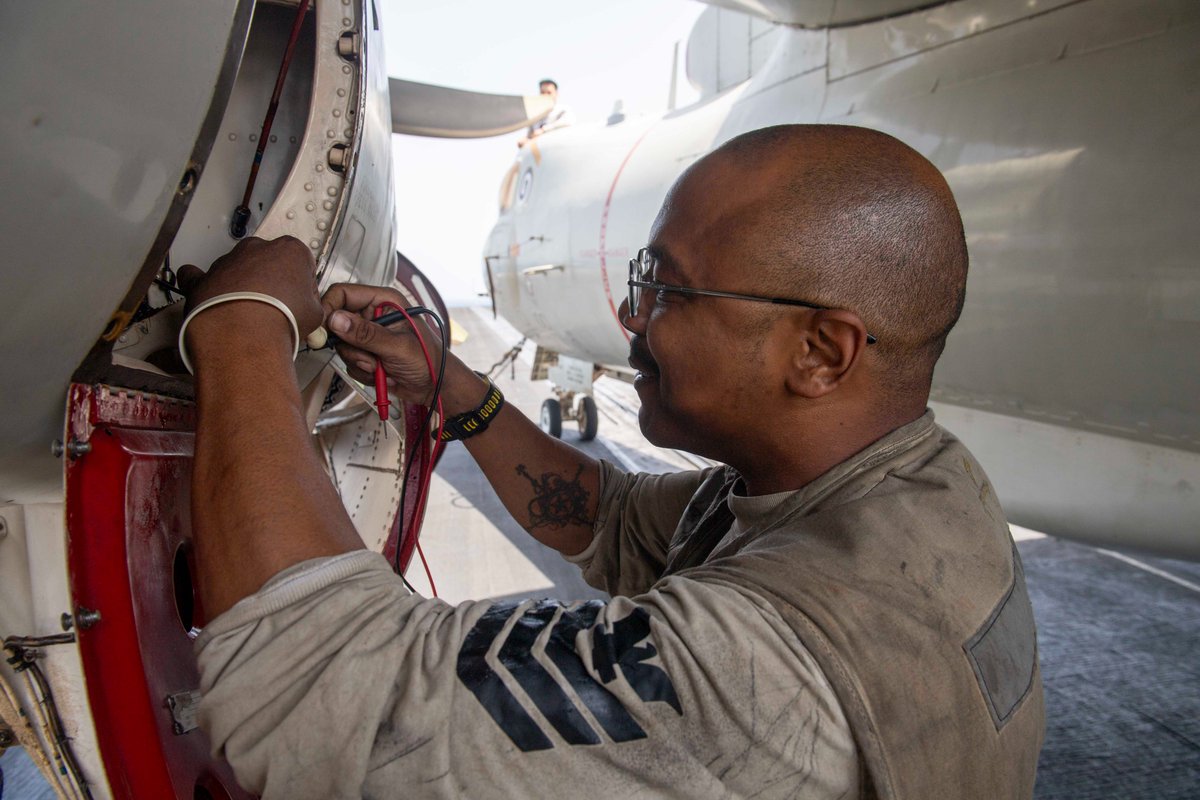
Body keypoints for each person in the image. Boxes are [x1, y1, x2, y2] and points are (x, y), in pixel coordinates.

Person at [182, 125, 1044, 800]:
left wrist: (244, 323)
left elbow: (316, 691)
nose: (633, 316)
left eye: (666, 289)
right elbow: (608, 517)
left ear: (820, 353)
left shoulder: (769, 670)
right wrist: (448, 384)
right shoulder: (914, 487)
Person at [517, 78, 575, 148]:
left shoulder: (563, 110)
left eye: (549, 93)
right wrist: (525, 140)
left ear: (556, 94)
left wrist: (543, 130)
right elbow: (530, 135)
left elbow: (567, 123)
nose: (545, 95)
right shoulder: (534, 115)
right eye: (542, 93)